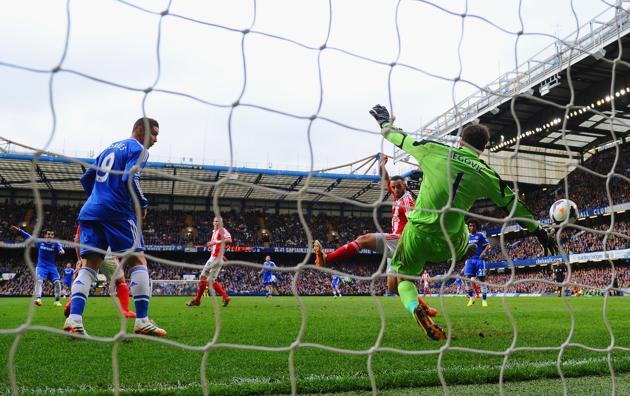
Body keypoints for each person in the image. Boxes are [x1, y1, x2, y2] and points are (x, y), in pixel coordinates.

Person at [369, 104, 558, 341]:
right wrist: (538, 230)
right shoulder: (485, 172)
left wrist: (385, 123)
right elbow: (513, 205)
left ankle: (414, 307)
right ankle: (465, 249)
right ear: (483, 148)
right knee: (467, 238)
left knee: (402, 281)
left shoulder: (433, 150)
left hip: (416, 232)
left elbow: (397, 137)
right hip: (450, 241)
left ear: (459, 140)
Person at [64, 117, 165, 336]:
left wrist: (99, 198)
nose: (156, 140)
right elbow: (131, 177)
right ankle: (142, 321)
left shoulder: (109, 148)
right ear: (140, 130)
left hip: (90, 211)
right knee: (137, 258)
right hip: (117, 212)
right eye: (154, 134)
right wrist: (142, 203)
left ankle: (74, 320)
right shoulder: (138, 149)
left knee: (89, 265)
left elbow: (86, 178)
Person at [313, 155, 415, 298]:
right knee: (392, 285)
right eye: (394, 187)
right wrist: (382, 167)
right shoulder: (396, 195)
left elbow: (414, 220)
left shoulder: (407, 200)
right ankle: (414, 307)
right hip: (397, 243)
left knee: (364, 239)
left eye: (399, 186)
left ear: (405, 185)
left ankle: (327, 258)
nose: (396, 189)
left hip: (401, 240)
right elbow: (386, 179)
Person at [64, 225, 136, 318]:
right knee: (120, 281)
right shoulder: (110, 214)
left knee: (85, 274)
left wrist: (79, 259)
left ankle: (72, 302)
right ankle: (125, 310)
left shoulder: (86, 213)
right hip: (105, 249)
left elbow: (77, 239)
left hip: (88, 247)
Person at [11, 226, 65, 306]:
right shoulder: (40, 242)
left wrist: (61, 251)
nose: (50, 236)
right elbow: (28, 236)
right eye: (49, 234)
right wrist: (19, 230)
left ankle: (57, 301)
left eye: (52, 234)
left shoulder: (56, 243)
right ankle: (38, 299)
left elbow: (60, 248)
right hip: (41, 267)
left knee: (57, 283)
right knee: (39, 281)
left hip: (52, 267)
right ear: (45, 235)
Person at [187, 217, 232, 307]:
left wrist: (216, 242)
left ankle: (198, 300)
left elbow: (229, 240)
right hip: (215, 258)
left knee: (206, 279)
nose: (216, 223)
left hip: (215, 258)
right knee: (204, 278)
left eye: (218, 222)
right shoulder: (214, 232)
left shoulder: (222, 230)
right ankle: (198, 300)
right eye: (215, 221)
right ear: (213, 222)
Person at [464, 221, 491, 307]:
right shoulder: (466, 237)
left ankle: (484, 300)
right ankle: (472, 299)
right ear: (468, 227)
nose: (472, 227)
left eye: (473, 226)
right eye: (470, 226)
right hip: (470, 261)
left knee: (482, 280)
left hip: (479, 260)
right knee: (466, 279)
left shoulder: (480, 235)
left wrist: (483, 252)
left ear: (476, 227)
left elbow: (488, 246)